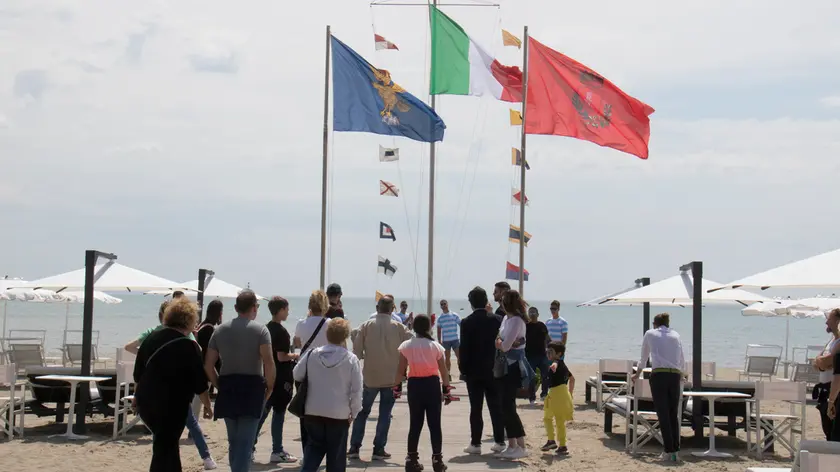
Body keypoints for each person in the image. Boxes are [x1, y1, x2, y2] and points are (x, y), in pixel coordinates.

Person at [126, 301, 217, 470]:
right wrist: (207, 405)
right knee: (165, 447)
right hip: (173, 406)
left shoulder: (151, 338)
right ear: (189, 319)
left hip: (147, 403)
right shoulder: (189, 345)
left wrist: (136, 398)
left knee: (166, 446)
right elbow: (199, 382)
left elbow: (138, 373)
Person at [204, 290, 275, 472]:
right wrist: (269, 387)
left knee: (234, 441)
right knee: (245, 442)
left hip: (228, 384)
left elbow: (208, 365)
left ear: (235, 308)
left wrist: (218, 383)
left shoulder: (219, 330)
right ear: (254, 308)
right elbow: (269, 362)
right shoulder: (260, 330)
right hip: (252, 387)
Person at [294, 318, 363, 472]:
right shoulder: (351, 359)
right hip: (338, 413)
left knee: (313, 449)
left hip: (313, 410)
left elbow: (296, 374)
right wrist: (354, 412)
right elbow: (357, 390)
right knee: (336, 457)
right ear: (345, 336)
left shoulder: (312, 354)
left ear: (327, 334)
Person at [349, 295, 413, 460]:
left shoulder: (366, 326)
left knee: (362, 412)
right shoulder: (399, 327)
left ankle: (355, 447)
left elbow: (356, 348)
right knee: (385, 413)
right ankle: (379, 449)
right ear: (393, 310)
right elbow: (412, 343)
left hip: (370, 376)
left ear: (377, 308)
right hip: (392, 378)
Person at [396, 315, 452, 472]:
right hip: (432, 386)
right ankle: (437, 461)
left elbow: (400, 371)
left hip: (415, 386)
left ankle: (411, 460)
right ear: (429, 327)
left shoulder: (406, 345)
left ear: (413, 327)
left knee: (415, 424)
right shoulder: (435, 346)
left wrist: (397, 388)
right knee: (435, 424)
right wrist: (446, 390)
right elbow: (444, 371)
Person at [459, 286, 506, 455]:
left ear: (471, 303)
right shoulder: (497, 320)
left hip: (473, 371)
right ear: (486, 300)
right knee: (495, 406)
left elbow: (463, 349)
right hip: (494, 369)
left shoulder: (466, 322)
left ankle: (476, 443)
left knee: (476, 408)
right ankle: (500, 441)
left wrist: (462, 369)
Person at [633, 313, 685, 462]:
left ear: (655, 324)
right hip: (675, 375)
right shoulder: (676, 335)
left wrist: (637, 373)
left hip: (659, 375)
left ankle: (668, 450)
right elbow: (681, 358)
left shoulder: (650, 333)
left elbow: (644, 358)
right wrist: (682, 374)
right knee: (673, 414)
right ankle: (675, 450)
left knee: (663, 414)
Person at [254, 297, 299, 463]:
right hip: (281, 378)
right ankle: (277, 450)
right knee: (278, 414)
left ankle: (250, 446)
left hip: (267, 375)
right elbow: (281, 356)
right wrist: (296, 355)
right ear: (280, 310)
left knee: (263, 413)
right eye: (286, 309)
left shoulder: (265, 329)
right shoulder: (281, 332)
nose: (288, 312)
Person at [495, 290, 532, 460]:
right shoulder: (506, 319)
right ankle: (512, 444)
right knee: (504, 406)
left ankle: (520, 445)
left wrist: (501, 343)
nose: (500, 302)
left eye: (503, 300)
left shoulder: (517, 321)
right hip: (503, 365)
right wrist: (502, 343)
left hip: (512, 367)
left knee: (508, 406)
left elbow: (505, 345)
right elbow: (500, 339)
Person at [293, 290, 332, 453]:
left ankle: (307, 450)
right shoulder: (330, 323)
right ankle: (321, 447)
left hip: (304, 370)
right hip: (325, 371)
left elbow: (296, 345)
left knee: (304, 411)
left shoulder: (301, 324)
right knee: (325, 411)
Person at [540, 342, 575, 456]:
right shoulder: (563, 365)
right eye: (547, 351)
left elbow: (555, 364)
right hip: (559, 393)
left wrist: (553, 366)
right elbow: (572, 379)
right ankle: (552, 441)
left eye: (551, 352)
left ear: (559, 354)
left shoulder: (557, 363)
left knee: (557, 420)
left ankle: (562, 445)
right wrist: (570, 394)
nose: (548, 353)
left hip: (557, 394)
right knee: (548, 418)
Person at [813, 308, 840, 440]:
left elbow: (823, 362)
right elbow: (817, 362)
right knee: (827, 430)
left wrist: (822, 363)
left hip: (834, 390)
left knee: (833, 432)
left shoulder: (839, 342)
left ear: (837, 321)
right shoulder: (831, 341)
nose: (826, 322)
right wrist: (822, 362)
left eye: (829, 319)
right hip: (824, 389)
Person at [525, 307, 551, 404]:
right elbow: (521, 338)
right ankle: (532, 398)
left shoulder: (542, 326)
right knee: (531, 377)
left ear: (538, 314)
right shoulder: (526, 326)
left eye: (534, 312)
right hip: (530, 356)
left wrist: (553, 348)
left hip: (542, 355)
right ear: (528, 314)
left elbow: (547, 339)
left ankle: (544, 395)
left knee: (546, 375)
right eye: (530, 312)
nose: (532, 314)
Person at [436, 299, 461, 380]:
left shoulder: (454, 315)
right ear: (440, 306)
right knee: (447, 357)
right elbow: (439, 330)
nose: (443, 305)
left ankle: (461, 372)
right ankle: (448, 374)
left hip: (455, 339)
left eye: (444, 303)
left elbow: (461, 325)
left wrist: (463, 336)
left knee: (459, 356)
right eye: (442, 304)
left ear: (447, 304)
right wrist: (439, 341)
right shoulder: (440, 318)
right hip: (446, 340)